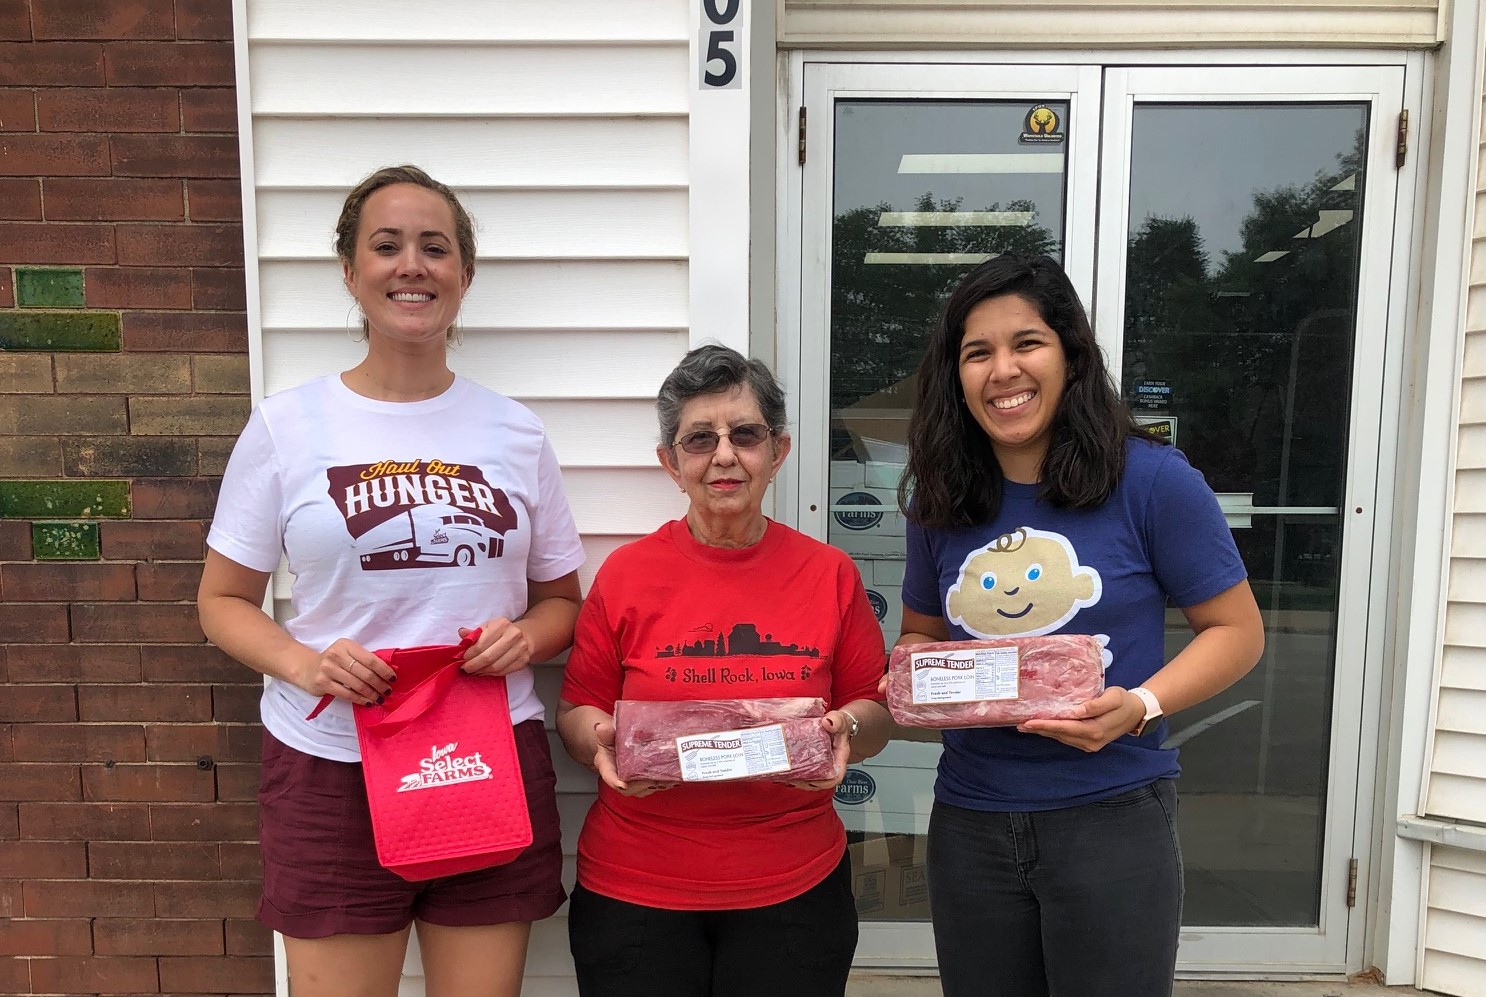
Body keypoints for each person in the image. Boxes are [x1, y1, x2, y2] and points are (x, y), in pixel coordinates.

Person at [196, 165, 585, 997]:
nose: (413, 264)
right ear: (350, 271)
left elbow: (562, 604)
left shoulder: (515, 433)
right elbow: (221, 599)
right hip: (331, 763)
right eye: (387, 246)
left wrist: (528, 635)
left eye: (435, 248)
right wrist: (304, 662)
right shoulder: (285, 427)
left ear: (464, 276)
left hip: (484, 755)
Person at [895, 254, 1265, 997]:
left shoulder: (1153, 479)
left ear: (1069, 353)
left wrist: (1141, 706)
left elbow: (1237, 630)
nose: (1004, 370)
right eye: (978, 352)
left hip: (1111, 816)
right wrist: (910, 675)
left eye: (1026, 342)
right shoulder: (940, 495)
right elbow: (922, 638)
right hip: (971, 819)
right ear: (955, 375)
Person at [556, 344, 892, 997]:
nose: (724, 455)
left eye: (745, 434)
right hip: (635, 890)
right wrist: (600, 739)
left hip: (794, 888)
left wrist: (846, 725)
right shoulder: (625, 576)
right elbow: (576, 711)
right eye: (699, 439)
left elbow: (872, 712)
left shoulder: (830, 575)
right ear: (670, 463)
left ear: (779, 451)